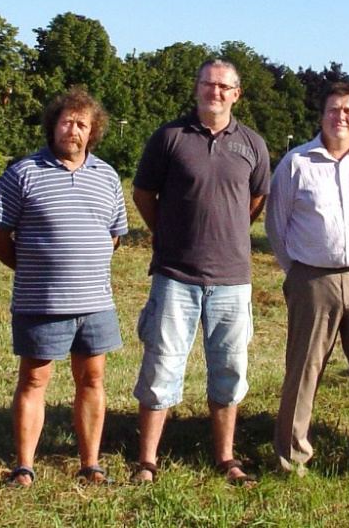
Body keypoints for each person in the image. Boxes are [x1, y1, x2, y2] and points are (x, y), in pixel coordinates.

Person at [131, 60, 269, 485]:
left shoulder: (253, 144)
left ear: (236, 94)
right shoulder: (169, 137)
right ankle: (147, 461)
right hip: (176, 275)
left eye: (224, 86)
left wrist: (226, 232)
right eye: (208, 84)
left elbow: (256, 201)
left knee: (230, 369)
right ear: (197, 88)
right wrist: (168, 233)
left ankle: (225, 457)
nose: (216, 92)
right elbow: (143, 193)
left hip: (232, 279)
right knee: (161, 366)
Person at [0, 87, 128, 486]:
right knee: (34, 380)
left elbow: (115, 235)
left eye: (82, 124)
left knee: (92, 380)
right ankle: (24, 466)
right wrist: (33, 267)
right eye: (67, 121)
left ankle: (90, 464)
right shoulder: (23, 173)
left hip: (95, 303)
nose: (73, 130)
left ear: (93, 131)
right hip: (40, 302)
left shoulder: (107, 176)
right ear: (53, 125)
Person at [266, 82, 349, 476]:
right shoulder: (296, 163)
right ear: (321, 115)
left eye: (348, 111)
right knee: (303, 372)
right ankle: (291, 457)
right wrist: (297, 272)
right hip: (312, 281)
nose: (340, 117)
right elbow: (277, 224)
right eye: (333, 110)